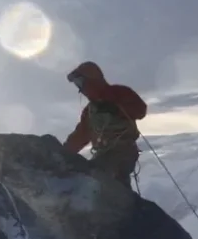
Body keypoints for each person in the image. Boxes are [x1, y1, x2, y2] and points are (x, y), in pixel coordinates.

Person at [63, 61, 147, 190]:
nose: (80, 89)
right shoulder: (90, 111)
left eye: (80, 83)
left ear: (91, 80)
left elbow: (140, 110)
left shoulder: (119, 93)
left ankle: (122, 205)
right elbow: (81, 135)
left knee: (97, 176)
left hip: (123, 150)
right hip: (104, 153)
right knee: (103, 179)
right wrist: (64, 153)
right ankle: (127, 205)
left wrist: (117, 108)